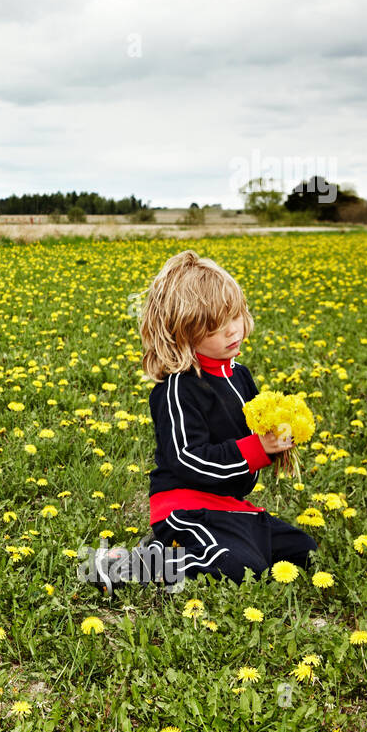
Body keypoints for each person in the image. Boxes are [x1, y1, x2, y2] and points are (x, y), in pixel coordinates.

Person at [91, 249, 317, 591]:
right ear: (182, 333)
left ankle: (210, 545)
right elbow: (188, 460)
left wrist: (278, 441)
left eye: (235, 316)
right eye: (214, 326)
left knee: (305, 552)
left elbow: (251, 435)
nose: (232, 331)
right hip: (188, 507)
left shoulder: (240, 375)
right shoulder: (177, 389)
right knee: (242, 567)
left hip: (232, 507)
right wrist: (256, 449)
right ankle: (134, 562)